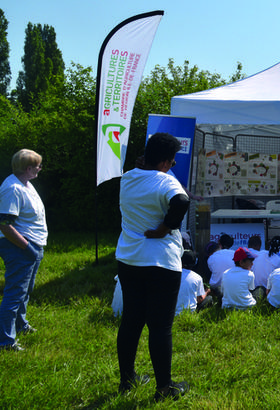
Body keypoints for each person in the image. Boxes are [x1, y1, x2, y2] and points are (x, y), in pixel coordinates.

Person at [115, 132, 190, 400]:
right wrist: (165, 228)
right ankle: (164, 388)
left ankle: (127, 380)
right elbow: (182, 201)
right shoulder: (165, 180)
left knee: (131, 321)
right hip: (161, 262)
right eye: (172, 161)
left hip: (129, 259)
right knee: (160, 327)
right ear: (167, 161)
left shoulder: (127, 177)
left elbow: (146, 172)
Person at [0, 149, 46, 352]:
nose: (40, 168)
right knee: (14, 293)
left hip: (31, 245)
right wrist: (26, 247)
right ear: (28, 168)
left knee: (25, 291)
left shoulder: (26, 184)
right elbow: (5, 224)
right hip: (19, 247)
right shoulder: (12, 189)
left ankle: (21, 324)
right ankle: (6, 341)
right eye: (38, 165)